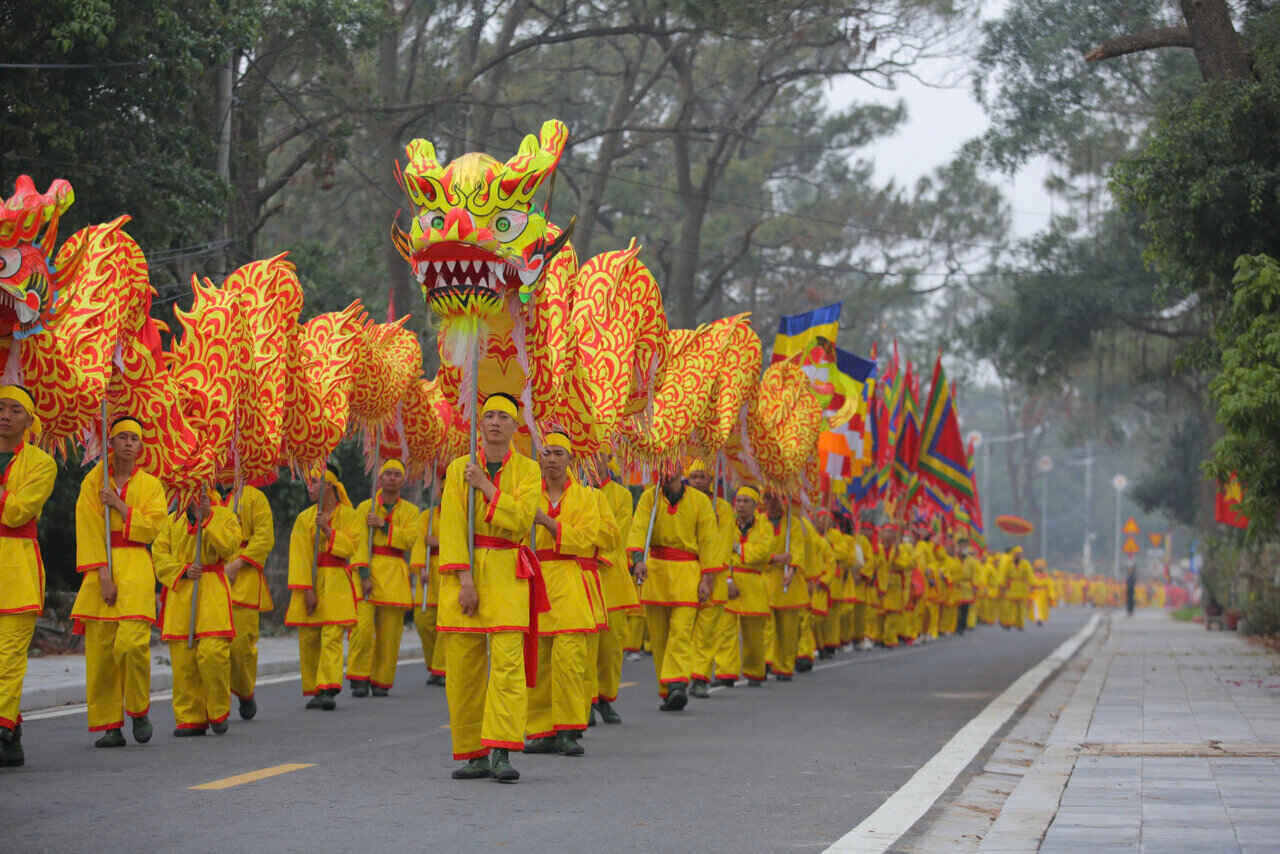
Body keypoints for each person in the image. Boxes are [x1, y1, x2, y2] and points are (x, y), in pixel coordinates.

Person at [437, 392, 541, 784]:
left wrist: (486, 487)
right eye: (489, 415)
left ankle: (501, 750)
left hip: (508, 573)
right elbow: (451, 525)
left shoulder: (529, 471)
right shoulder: (457, 468)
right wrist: (464, 579)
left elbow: (520, 521)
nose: (495, 422)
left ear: (516, 427)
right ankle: (474, 753)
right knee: (463, 669)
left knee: (508, 667)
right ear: (479, 424)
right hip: (466, 576)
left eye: (504, 417)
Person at [71, 415, 167, 748]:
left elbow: (154, 527)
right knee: (101, 651)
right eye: (121, 437)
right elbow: (87, 527)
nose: (128, 443)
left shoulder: (152, 485)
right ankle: (110, 724)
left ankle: (138, 709)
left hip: (137, 565)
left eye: (134, 438)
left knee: (131, 646)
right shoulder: (94, 481)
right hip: (102, 571)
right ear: (109, 443)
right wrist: (102, 574)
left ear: (141, 447)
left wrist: (121, 506)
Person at [525, 432, 600, 757]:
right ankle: (542, 731)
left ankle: (569, 729)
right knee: (538, 662)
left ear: (570, 459)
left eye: (558, 453)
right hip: (535, 579)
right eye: (547, 453)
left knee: (569, 661)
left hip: (570, 581)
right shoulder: (527, 493)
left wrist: (547, 523)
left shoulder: (586, 497)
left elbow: (588, 539)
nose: (552, 459)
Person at [153, 489, 243, 736]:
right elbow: (159, 556)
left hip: (212, 588)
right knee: (184, 661)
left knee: (213, 653)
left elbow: (230, 547)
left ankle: (217, 710)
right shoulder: (171, 520)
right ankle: (190, 717)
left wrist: (208, 518)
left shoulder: (224, 515)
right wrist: (181, 570)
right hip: (181, 593)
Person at [627, 468, 718, 710]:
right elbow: (638, 529)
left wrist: (708, 579)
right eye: (662, 467)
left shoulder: (700, 502)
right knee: (659, 637)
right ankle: (667, 690)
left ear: (680, 470)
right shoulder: (649, 497)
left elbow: (709, 541)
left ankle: (677, 683)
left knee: (680, 632)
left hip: (688, 573)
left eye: (672, 467)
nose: (667, 473)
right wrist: (637, 560)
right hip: (655, 574)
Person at [0, 386, 56, 767]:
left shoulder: (41, 463)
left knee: (8, 659)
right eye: (0, 407)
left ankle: (3, 729)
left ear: (29, 420)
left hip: (17, 569)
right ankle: (11, 730)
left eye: (14, 410)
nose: (5, 415)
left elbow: (18, 513)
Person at [285, 462, 361, 710]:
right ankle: (315, 687)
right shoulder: (303, 519)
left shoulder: (350, 516)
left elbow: (351, 548)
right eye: (308, 481)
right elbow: (299, 557)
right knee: (309, 638)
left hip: (337, 581)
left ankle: (329, 686)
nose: (310, 486)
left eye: (315, 481)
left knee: (332, 634)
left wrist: (328, 531)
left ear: (330, 485)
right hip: (311, 581)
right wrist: (306, 589)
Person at [347, 459, 419, 697]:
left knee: (390, 634)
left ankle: (381, 680)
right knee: (363, 629)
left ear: (403, 480)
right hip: (368, 570)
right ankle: (359, 676)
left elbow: (409, 539)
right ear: (380, 478)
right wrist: (363, 573)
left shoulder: (410, 511)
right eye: (387, 474)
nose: (391, 478)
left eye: (396, 474)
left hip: (395, 573)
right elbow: (357, 543)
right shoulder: (365, 507)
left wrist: (383, 526)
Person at [214, 475, 274, 721]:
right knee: (212, 648)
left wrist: (238, 564)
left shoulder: (255, 497)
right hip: (212, 575)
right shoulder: (209, 497)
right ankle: (216, 705)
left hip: (244, 579)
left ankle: (245, 691)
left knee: (240, 648)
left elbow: (264, 538)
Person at [593, 463, 637, 724]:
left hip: (612, 581)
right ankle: (584, 701)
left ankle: (605, 697)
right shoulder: (575, 490)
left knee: (610, 649)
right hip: (580, 575)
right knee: (583, 648)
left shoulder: (622, 495)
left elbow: (617, 535)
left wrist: (589, 550)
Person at [688, 461, 736, 696]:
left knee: (707, 632)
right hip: (685, 575)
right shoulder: (683, 502)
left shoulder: (723, 508)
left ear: (710, 480)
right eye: (693, 476)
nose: (697, 481)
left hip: (714, 576)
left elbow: (724, 544)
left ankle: (700, 677)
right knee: (684, 630)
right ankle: (682, 676)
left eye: (701, 476)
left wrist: (712, 575)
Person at [725, 486, 774, 686]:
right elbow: (721, 551)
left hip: (754, 584)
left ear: (755, 505)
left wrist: (738, 548)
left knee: (754, 634)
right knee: (725, 631)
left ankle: (754, 671)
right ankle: (725, 673)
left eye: (746, 501)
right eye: (739, 500)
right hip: (730, 581)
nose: (741, 505)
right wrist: (728, 579)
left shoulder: (764, 527)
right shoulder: (727, 524)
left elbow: (763, 553)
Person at [761, 492, 806, 680]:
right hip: (765, 579)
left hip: (788, 582)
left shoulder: (792, 523)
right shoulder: (759, 522)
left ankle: (785, 666)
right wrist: (773, 559)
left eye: (776, 497)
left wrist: (792, 570)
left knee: (788, 629)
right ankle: (766, 661)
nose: (772, 502)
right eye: (768, 497)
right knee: (766, 626)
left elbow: (797, 549)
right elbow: (757, 549)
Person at [410, 476, 446, 686]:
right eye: (441, 487)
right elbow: (419, 542)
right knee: (424, 621)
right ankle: (434, 664)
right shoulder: (427, 516)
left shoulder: (464, 513)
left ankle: (442, 669)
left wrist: (438, 541)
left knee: (445, 624)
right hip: (430, 573)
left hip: (452, 571)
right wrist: (420, 568)